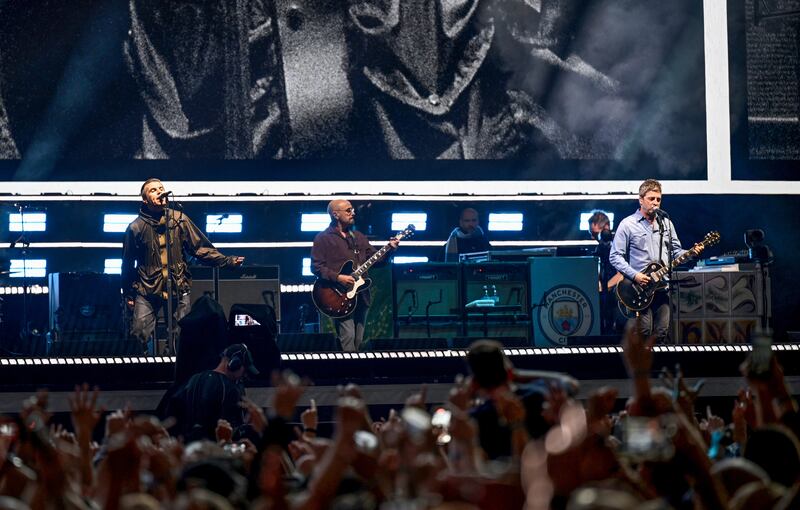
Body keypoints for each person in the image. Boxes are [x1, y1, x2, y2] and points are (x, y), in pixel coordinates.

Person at [122, 178, 244, 352]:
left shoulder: (179, 220)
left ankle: (172, 370)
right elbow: (127, 263)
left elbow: (200, 249)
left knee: (182, 334)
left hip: (178, 287)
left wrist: (227, 261)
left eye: (161, 188)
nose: (159, 192)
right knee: (139, 332)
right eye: (153, 190)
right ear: (144, 199)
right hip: (147, 289)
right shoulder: (135, 227)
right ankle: (143, 372)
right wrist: (128, 293)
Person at [609, 179, 692, 343]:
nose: (655, 203)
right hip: (640, 288)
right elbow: (615, 256)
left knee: (662, 332)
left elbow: (676, 252)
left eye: (658, 199)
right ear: (641, 200)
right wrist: (635, 275)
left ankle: (659, 367)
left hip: (662, 287)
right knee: (644, 331)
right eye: (651, 198)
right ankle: (640, 367)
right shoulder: (628, 224)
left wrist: (689, 254)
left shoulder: (666, 224)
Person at [310, 199, 398, 351]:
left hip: (361, 294)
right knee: (348, 336)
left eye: (353, 210)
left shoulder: (358, 236)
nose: (353, 213)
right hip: (338, 295)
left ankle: (357, 370)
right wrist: (338, 277)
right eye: (348, 210)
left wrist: (389, 250)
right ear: (335, 214)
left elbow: (376, 260)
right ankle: (349, 370)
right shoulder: (323, 238)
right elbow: (316, 267)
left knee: (359, 340)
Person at [167, 343, 258, 443]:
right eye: (244, 370)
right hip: (216, 449)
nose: (244, 375)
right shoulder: (230, 388)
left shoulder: (195, 379)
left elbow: (173, 409)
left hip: (190, 447)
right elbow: (234, 429)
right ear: (234, 363)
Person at [588, 210, 621, 334]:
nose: (592, 237)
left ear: (605, 229)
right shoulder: (600, 248)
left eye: (595, 233)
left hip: (614, 297)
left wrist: (603, 288)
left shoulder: (615, 247)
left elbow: (621, 274)